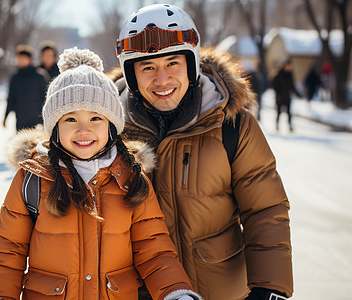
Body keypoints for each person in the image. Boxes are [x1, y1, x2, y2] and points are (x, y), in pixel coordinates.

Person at [0, 48, 201, 300]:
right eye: (70, 119)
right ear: (54, 128)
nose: (84, 130)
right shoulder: (33, 178)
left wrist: (175, 293)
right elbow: (8, 249)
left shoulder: (131, 178)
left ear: (111, 126)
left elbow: (154, 250)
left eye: (96, 118)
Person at [111, 4, 293, 300]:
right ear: (132, 76)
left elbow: (264, 208)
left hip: (220, 289)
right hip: (142, 291)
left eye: (173, 63)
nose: (162, 79)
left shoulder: (231, 123)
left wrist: (269, 286)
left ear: (191, 63)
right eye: (147, 67)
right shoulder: (108, 132)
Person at [3, 44, 48, 131]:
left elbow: (45, 98)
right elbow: (11, 98)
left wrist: (44, 120)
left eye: (24, 58)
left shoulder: (39, 76)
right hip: (20, 118)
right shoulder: (15, 78)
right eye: (19, 58)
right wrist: (6, 116)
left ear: (30, 59)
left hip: (37, 119)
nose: (21, 61)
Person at [272, 60, 301, 132]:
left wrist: (298, 94)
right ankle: (277, 125)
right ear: (285, 66)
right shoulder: (279, 74)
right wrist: (278, 94)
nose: (289, 67)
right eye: (288, 66)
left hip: (287, 97)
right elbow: (274, 85)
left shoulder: (290, 75)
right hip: (280, 97)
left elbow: (292, 86)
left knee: (289, 113)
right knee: (279, 112)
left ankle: (290, 126)